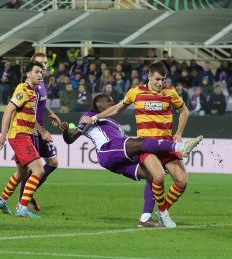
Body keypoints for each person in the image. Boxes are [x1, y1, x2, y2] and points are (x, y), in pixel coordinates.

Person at [81, 62, 193, 228]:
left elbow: (184, 111)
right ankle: (160, 214)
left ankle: (162, 211)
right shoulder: (136, 92)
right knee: (158, 176)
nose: (159, 83)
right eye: (156, 79)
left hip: (166, 141)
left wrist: (179, 133)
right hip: (146, 145)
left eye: (162, 80)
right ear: (149, 76)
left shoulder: (170, 92)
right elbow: (117, 109)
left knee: (182, 181)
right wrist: (95, 118)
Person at [66, 94, 202, 227]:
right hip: (107, 149)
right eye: (108, 101)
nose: (112, 103)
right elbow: (71, 138)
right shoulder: (88, 115)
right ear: (97, 104)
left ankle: (145, 219)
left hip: (118, 155)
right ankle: (179, 147)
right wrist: (66, 131)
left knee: (153, 175)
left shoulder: (113, 122)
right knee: (140, 142)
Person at [0, 61, 46, 218]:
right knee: (39, 170)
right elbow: (8, 110)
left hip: (25, 135)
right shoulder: (22, 89)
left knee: (21, 173)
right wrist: (3, 134)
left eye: (41, 73)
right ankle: (22, 207)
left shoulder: (33, 92)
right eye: (36, 72)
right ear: (28, 74)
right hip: (19, 136)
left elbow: (30, 117)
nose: (40, 75)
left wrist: (42, 131)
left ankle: (1, 200)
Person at [17, 53, 62, 212]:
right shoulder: (29, 86)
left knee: (52, 163)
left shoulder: (41, 82)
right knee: (30, 169)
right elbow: (29, 113)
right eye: (40, 63)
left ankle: (29, 192)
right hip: (34, 130)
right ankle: (22, 200)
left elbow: (42, 103)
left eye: (45, 63)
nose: (43, 65)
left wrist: (50, 113)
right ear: (32, 64)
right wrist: (42, 132)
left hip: (41, 127)